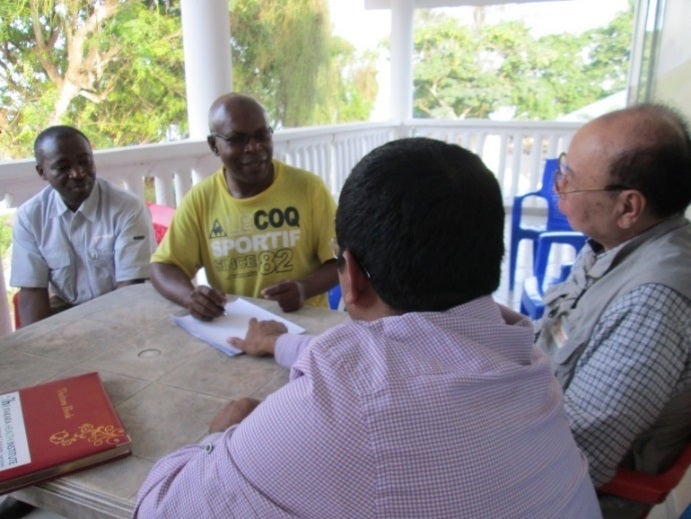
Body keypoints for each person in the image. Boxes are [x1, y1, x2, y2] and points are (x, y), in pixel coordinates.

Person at [135, 137, 600, 518]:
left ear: (351, 276)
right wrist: (281, 344)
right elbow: (403, 357)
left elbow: (160, 507)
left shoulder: (342, 407)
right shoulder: (524, 359)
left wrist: (217, 439)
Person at [536, 104, 691, 497]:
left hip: (572, 491)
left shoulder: (653, 300)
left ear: (628, 207)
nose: (558, 186)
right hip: (538, 414)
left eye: (570, 179)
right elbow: (557, 332)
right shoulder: (617, 243)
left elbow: (577, 454)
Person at [149, 93, 337, 320]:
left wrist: (304, 288)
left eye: (261, 135)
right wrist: (191, 298)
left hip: (307, 326)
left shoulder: (308, 189)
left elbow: (342, 261)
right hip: (238, 328)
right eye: (238, 140)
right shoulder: (201, 200)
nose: (254, 147)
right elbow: (163, 266)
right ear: (214, 145)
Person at [10, 125, 155, 327]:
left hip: (123, 311)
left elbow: (131, 289)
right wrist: (37, 342)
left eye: (85, 162)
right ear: (42, 172)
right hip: (66, 311)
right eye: (63, 167)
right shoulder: (30, 217)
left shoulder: (127, 208)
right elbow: (32, 291)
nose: (78, 173)